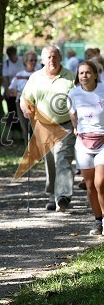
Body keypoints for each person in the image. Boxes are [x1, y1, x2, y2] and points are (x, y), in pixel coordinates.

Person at [21, 45, 76, 212]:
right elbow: (25, 99)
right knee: (50, 163)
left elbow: (79, 99)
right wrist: (25, 109)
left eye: (55, 56)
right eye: (49, 57)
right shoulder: (35, 78)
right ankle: (52, 195)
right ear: (43, 60)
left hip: (65, 125)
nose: (52, 60)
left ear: (60, 58)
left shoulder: (70, 77)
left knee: (63, 159)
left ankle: (63, 196)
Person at [68, 60, 104, 235]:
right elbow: (72, 112)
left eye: (88, 73)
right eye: (81, 73)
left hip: (103, 141)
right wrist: (76, 128)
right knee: (90, 185)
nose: (84, 76)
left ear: (96, 75)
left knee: (101, 182)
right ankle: (98, 221)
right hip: (83, 142)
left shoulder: (103, 91)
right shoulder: (74, 94)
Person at [8, 51, 38, 144]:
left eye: (35, 60)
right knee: (24, 126)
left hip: (36, 103)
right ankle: (27, 146)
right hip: (21, 103)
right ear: (25, 61)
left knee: (35, 126)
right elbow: (10, 90)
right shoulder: (19, 75)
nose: (33, 62)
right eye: (31, 60)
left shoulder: (39, 74)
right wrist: (16, 92)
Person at [2, 46, 25, 134]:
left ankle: (22, 131)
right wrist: (7, 90)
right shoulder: (7, 63)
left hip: (21, 90)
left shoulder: (22, 61)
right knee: (12, 112)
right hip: (11, 91)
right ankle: (13, 132)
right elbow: (5, 77)